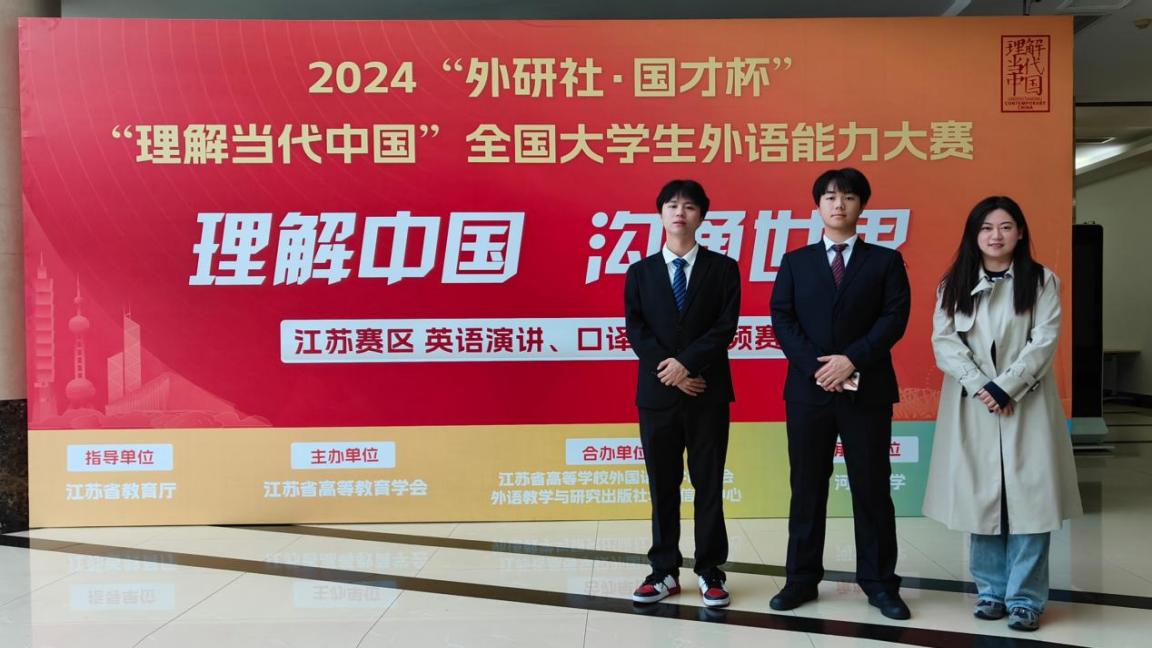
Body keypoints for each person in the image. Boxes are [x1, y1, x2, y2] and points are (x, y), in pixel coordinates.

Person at [923, 196, 1082, 632]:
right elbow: (945, 342)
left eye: (1006, 227)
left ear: (1020, 232)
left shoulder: (1042, 280)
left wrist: (1005, 386)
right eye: (987, 228)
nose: (996, 236)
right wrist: (982, 386)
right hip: (973, 403)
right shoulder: (954, 283)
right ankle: (990, 592)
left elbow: (1044, 340)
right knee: (982, 499)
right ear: (974, 235)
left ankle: (1026, 599)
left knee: (1032, 501)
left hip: (1026, 402)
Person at [768, 168, 912, 620]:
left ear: (861, 206)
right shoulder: (795, 261)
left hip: (866, 391)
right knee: (807, 488)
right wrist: (819, 368)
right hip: (808, 392)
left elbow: (894, 318)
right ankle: (800, 579)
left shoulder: (885, 261)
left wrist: (851, 360)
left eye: (848, 197)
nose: (838, 204)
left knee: (872, 488)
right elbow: (782, 318)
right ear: (818, 206)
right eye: (830, 197)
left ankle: (880, 583)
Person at [625, 179, 741, 608]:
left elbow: (724, 328)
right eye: (672, 205)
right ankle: (663, 571)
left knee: (708, 483)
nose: (680, 212)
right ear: (660, 214)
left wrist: (687, 365)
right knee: (663, 485)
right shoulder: (640, 272)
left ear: (701, 216)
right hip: (658, 396)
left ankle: (710, 571)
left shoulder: (723, 268)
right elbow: (637, 330)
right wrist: (673, 373)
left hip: (707, 392)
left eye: (689, 206)